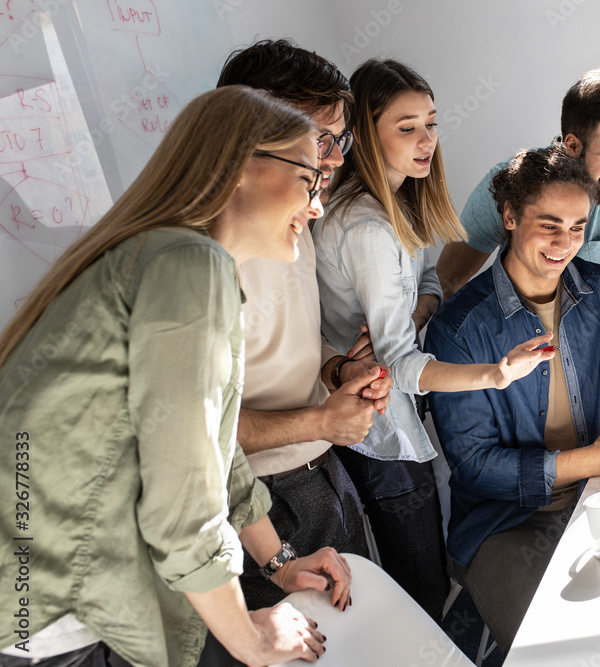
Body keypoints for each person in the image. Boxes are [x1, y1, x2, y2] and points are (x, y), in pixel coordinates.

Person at [0, 86, 351, 667]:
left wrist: (278, 562)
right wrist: (253, 640)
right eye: (309, 179)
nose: (317, 204)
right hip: (50, 620)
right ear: (242, 164)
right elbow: (184, 507)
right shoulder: (190, 266)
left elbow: (213, 451)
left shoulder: (169, 259)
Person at [425, 145, 600, 655]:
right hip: (503, 525)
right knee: (558, 651)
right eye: (549, 224)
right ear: (510, 217)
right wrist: (586, 460)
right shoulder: (459, 328)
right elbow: (473, 467)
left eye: (578, 226)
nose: (565, 243)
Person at [313, 58, 553, 620]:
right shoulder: (366, 227)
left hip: (395, 413)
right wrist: (493, 375)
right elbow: (396, 362)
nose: (428, 140)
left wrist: (419, 307)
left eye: (431, 122)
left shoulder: (399, 205)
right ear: (366, 136)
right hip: (377, 427)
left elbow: (429, 282)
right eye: (407, 128)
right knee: (419, 587)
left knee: (428, 572)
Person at [216, 39, 388, 613]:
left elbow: (288, 335)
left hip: (323, 473)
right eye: (320, 140)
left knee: (365, 637)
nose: (335, 160)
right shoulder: (202, 262)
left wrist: (339, 367)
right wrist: (321, 418)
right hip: (263, 500)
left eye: (342, 139)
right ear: (252, 134)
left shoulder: (293, 217)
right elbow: (199, 437)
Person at [437, 67, 600, 377]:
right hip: (520, 338)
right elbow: (449, 279)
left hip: (594, 329)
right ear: (572, 145)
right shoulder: (511, 184)